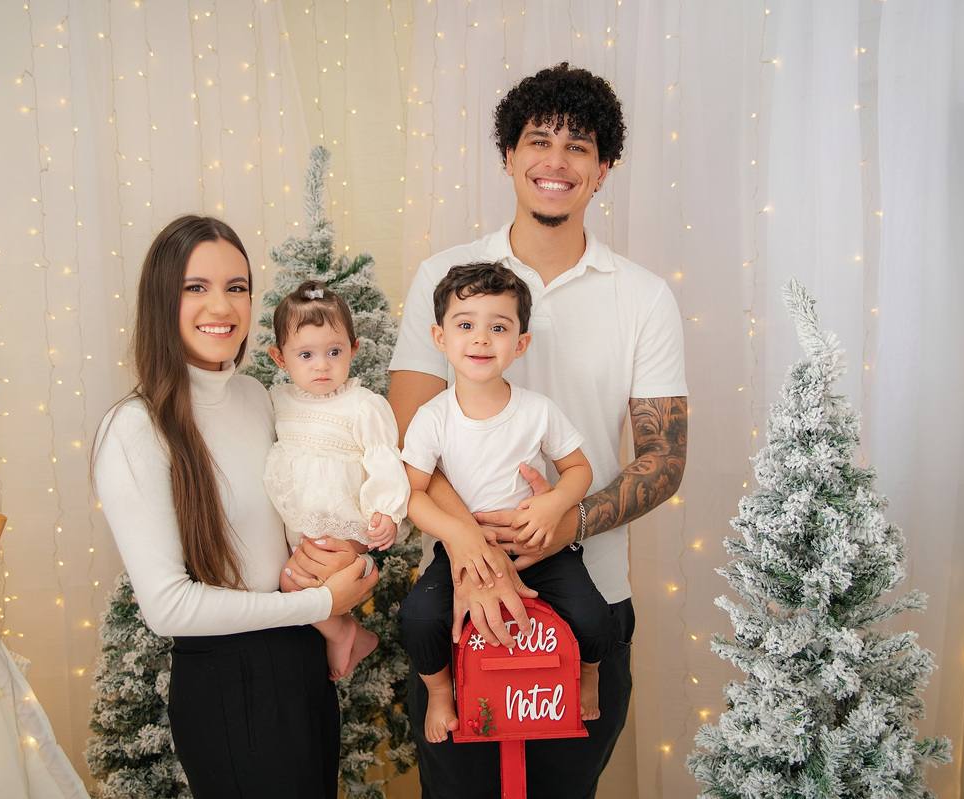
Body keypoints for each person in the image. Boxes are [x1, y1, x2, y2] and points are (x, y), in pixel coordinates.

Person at [389, 63, 688, 798]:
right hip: (461, 596)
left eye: (579, 145)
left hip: (589, 596)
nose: (557, 160)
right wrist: (476, 549)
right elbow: (406, 442)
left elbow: (663, 458)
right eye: (539, 140)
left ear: (603, 169)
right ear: (509, 155)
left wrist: (565, 519)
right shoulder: (444, 276)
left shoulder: (644, 297)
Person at [92, 215, 378, 798]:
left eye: (237, 287)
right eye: (196, 287)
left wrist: (349, 562)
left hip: (304, 662)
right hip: (229, 685)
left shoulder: (259, 396)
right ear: (161, 299)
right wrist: (322, 603)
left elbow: (315, 504)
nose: (221, 306)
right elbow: (168, 608)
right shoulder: (135, 429)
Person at [399, 262, 610, 744]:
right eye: (465, 324)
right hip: (463, 552)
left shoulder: (537, 410)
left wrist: (554, 505)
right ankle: (440, 692)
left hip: (539, 549)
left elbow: (579, 470)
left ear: (520, 343)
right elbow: (412, 493)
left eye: (498, 327)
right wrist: (457, 533)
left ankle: (590, 673)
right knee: (418, 618)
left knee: (595, 619)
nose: (480, 338)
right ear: (439, 337)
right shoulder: (432, 418)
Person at [263, 279, 411, 679]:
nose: (322, 365)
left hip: (343, 525)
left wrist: (387, 512)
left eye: (334, 351)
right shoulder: (278, 401)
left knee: (292, 583)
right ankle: (349, 631)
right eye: (305, 354)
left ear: (353, 349)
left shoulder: (363, 405)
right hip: (300, 528)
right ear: (280, 358)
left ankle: (344, 634)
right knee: (292, 581)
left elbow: (384, 459)